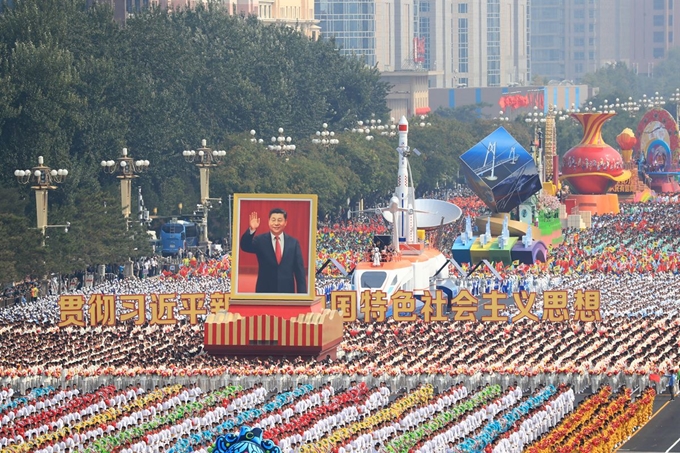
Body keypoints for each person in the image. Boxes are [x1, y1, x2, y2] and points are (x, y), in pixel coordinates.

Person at [240, 208, 307, 294]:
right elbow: (245, 246)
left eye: (279, 220)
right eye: (273, 220)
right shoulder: (260, 241)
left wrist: (302, 297)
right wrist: (252, 229)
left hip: (287, 293)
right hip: (265, 291)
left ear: (285, 222)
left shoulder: (293, 243)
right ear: (269, 221)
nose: (276, 223)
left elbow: (299, 272)